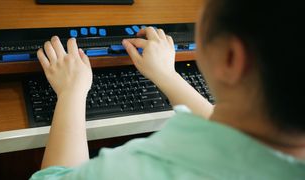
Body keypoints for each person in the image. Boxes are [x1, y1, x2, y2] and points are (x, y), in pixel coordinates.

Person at [31, 0, 305, 179]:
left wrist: (71, 93)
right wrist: (167, 75)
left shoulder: (131, 170)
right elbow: (244, 135)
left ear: (231, 58)